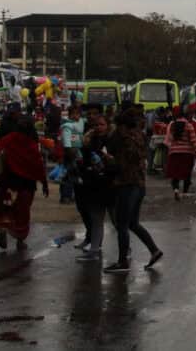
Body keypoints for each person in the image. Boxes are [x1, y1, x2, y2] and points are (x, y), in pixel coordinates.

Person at [103, 108, 162, 274]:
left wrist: (108, 160)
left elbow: (118, 161)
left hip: (126, 184)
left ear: (121, 125)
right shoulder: (139, 136)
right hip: (139, 184)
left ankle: (122, 262)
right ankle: (154, 250)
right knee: (133, 223)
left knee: (122, 224)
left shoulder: (122, 138)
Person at [0, 115, 49, 250]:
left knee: (5, 208)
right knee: (22, 212)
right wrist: (44, 183)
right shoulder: (31, 144)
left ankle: (4, 229)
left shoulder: (8, 139)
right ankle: (20, 240)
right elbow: (38, 165)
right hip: (26, 185)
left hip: (7, 183)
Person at [75, 114, 114, 262]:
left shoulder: (113, 141)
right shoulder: (88, 141)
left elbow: (116, 163)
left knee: (117, 220)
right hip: (93, 184)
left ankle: (125, 249)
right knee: (96, 218)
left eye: (102, 124)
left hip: (110, 184)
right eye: (96, 125)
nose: (99, 127)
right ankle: (94, 249)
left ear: (107, 126)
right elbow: (83, 161)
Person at [164, 114, 196, 199]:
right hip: (187, 153)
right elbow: (193, 140)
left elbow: (169, 139)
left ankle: (176, 189)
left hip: (174, 152)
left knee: (175, 173)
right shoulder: (189, 125)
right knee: (187, 173)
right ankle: (185, 192)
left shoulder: (172, 126)